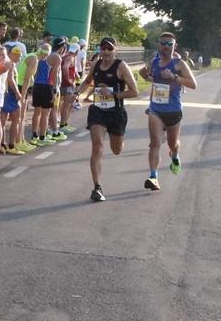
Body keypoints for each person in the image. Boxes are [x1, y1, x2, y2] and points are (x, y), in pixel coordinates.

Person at [77, 37, 139, 202]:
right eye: (103, 48)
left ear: (115, 50)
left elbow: (134, 91)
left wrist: (113, 94)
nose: (105, 52)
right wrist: (76, 93)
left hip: (116, 113)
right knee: (97, 146)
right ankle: (97, 187)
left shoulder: (121, 66)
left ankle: (119, 140)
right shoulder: (96, 64)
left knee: (116, 149)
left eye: (109, 49)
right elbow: (88, 81)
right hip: (98, 111)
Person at [139, 32, 197, 191]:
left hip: (173, 110)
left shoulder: (179, 64)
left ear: (174, 46)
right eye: (163, 43)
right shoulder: (154, 62)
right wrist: (145, 75)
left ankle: (175, 155)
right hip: (156, 109)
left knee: (172, 143)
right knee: (155, 144)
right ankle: (153, 177)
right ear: (158, 45)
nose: (165, 46)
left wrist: (174, 77)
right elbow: (146, 74)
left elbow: (193, 84)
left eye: (169, 43)